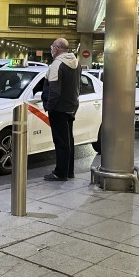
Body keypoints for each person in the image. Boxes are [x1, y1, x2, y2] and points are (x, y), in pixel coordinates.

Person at [42, 38, 81, 181]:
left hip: (58, 108)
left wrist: (49, 107)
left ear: (57, 48)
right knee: (68, 140)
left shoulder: (57, 64)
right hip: (71, 106)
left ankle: (60, 173)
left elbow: (54, 90)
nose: (51, 49)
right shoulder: (76, 63)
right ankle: (69, 171)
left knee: (60, 141)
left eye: (52, 46)